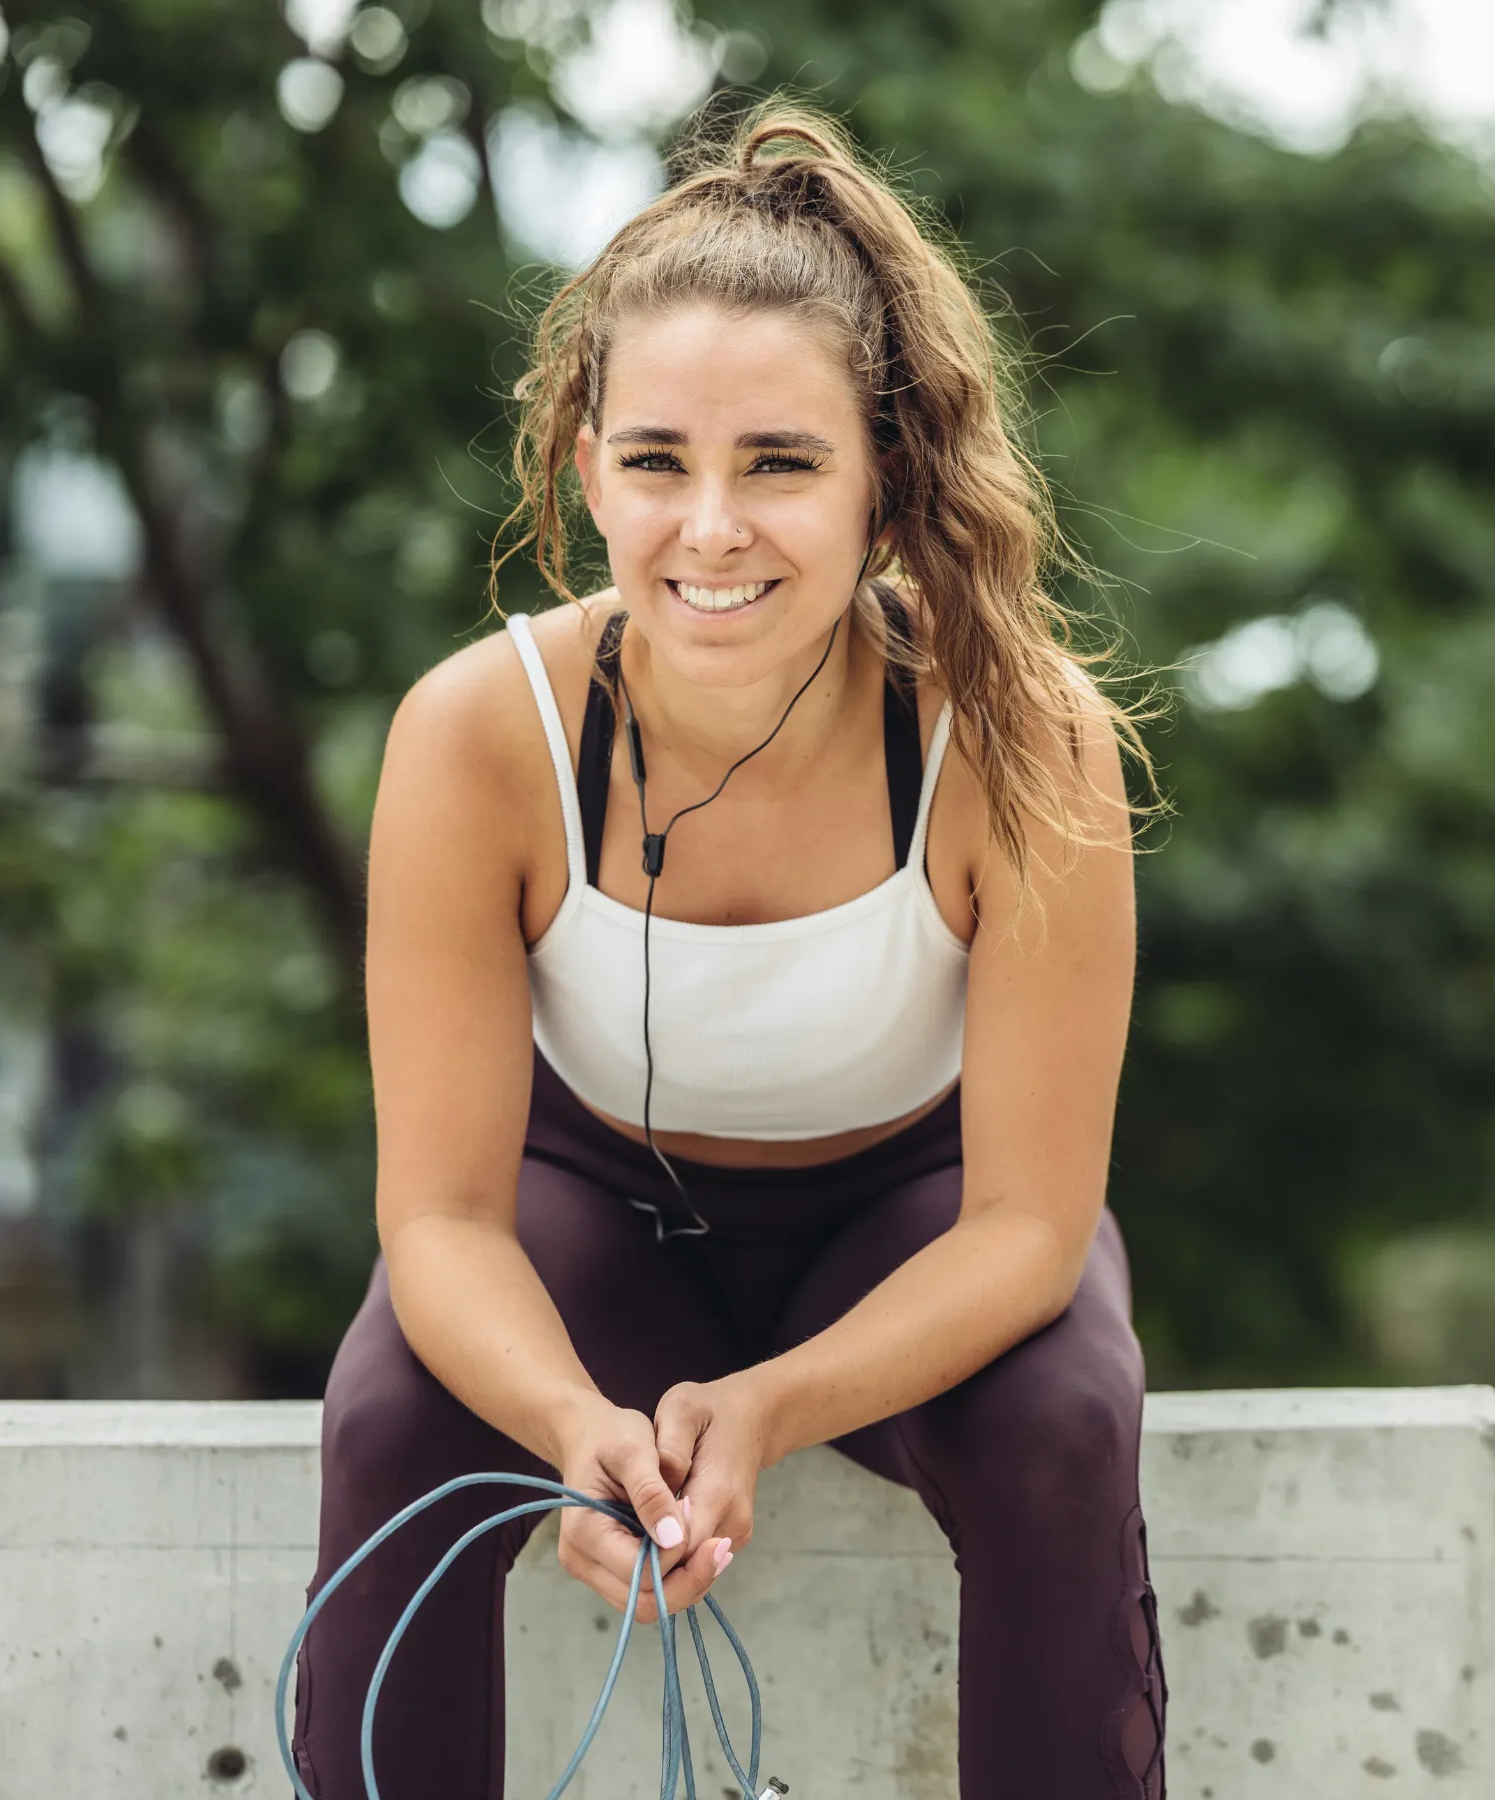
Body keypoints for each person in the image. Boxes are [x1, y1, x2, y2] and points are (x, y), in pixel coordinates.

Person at [291, 100, 1167, 1800]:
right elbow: (444, 1218)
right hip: (587, 1216)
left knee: (1064, 1422)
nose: (710, 528)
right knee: (393, 1414)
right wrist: (570, 1426)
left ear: (885, 479)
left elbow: (1029, 1226)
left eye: (780, 462)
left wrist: (771, 1406)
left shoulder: (1021, 736)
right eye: (655, 463)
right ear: (583, 468)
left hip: (914, 1222)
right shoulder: (477, 734)